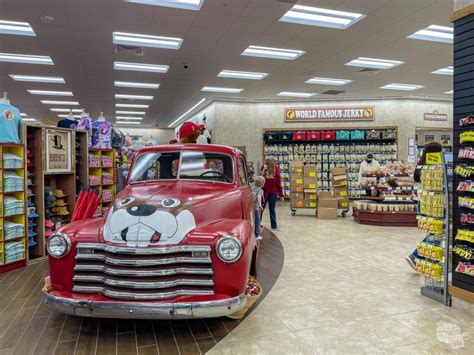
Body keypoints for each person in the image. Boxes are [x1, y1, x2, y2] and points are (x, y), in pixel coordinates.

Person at [406, 142, 443, 271]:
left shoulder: (421, 166)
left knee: (434, 232)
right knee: (437, 233)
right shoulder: (434, 168)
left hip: (423, 203)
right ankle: (416, 256)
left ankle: (428, 262)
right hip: (432, 204)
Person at [260, 158, 284, 230]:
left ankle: (274, 225)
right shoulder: (264, 170)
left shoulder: (276, 172)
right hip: (264, 192)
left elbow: (278, 184)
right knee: (261, 208)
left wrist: (281, 195)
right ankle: (257, 223)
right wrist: (264, 170)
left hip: (273, 193)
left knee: (272, 209)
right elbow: (260, 178)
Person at [252, 176, 265, 240]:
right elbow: (259, 196)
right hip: (256, 208)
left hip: (252, 207)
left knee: (253, 221)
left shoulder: (253, 188)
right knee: (257, 221)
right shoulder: (260, 190)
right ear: (263, 184)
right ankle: (257, 235)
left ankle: (252, 233)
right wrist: (260, 204)